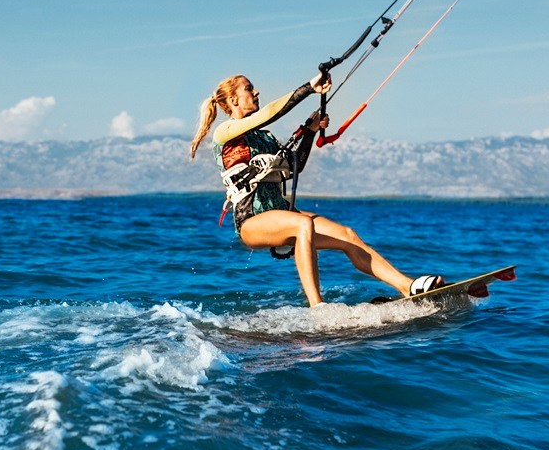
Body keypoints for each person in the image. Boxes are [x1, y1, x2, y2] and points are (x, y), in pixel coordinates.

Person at [189, 72, 443, 307]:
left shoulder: (264, 137)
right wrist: (309, 88)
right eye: (249, 89)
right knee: (303, 224)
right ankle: (317, 305)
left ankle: (407, 286)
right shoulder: (225, 132)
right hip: (251, 222)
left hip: (280, 212)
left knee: (347, 235)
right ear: (233, 99)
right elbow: (269, 113)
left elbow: (295, 166)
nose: (256, 93)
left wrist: (309, 132)